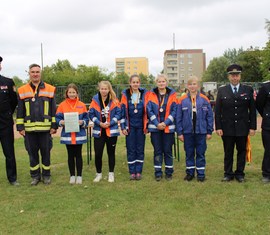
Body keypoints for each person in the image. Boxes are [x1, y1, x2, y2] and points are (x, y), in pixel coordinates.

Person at [17, 64, 57, 186]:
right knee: (32, 154)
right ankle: (35, 176)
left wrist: (54, 125)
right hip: (29, 130)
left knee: (46, 153)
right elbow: (20, 110)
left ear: (40, 73)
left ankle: (46, 176)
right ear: (29, 73)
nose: (35, 74)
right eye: (33, 72)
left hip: (45, 130)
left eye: (37, 72)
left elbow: (53, 109)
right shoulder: (22, 90)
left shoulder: (50, 89)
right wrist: (20, 127)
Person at [215, 64, 256, 182]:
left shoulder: (247, 90)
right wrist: (218, 127)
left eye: (237, 75)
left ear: (240, 76)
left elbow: (252, 110)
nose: (234, 78)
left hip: (242, 127)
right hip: (227, 127)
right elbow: (217, 111)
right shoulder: (222, 90)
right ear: (229, 77)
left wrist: (252, 127)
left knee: (241, 151)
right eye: (232, 75)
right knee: (228, 152)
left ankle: (240, 173)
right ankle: (228, 173)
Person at [176, 76, 214, 182]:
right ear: (187, 86)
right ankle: (190, 173)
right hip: (187, 132)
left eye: (194, 84)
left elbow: (210, 116)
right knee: (189, 153)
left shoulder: (204, 99)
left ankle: (201, 174)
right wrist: (179, 132)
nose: (192, 86)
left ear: (198, 85)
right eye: (190, 84)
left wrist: (209, 131)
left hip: (201, 131)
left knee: (201, 153)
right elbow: (178, 117)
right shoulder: (182, 100)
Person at [56, 84, 89, 185]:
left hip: (79, 134)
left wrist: (82, 122)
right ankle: (72, 175)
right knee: (70, 156)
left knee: (78, 155)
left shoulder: (82, 105)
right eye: (69, 92)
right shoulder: (62, 105)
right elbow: (57, 118)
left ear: (77, 93)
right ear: (66, 93)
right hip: (68, 135)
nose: (71, 94)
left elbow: (86, 119)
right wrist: (61, 122)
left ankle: (79, 176)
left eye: (73, 92)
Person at [146, 74, 177, 181]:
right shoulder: (151, 94)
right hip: (155, 128)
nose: (161, 83)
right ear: (156, 83)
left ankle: (169, 173)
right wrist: (157, 123)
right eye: (159, 81)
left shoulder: (172, 94)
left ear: (166, 82)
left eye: (163, 81)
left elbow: (174, 110)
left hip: (168, 128)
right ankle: (158, 172)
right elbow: (149, 110)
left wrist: (166, 123)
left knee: (168, 150)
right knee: (157, 151)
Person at [89, 81, 121, 183]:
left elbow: (118, 114)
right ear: (99, 89)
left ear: (109, 89)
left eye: (106, 89)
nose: (104, 90)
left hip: (111, 131)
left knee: (111, 153)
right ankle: (98, 174)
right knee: (98, 154)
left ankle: (111, 174)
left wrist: (110, 123)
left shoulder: (115, 100)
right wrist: (99, 123)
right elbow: (91, 114)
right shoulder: (94, 100)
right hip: (99, 131)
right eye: (102, 89)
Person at [120, 74, 148, 180]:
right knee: (131, 149)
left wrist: (147, 125)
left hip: (141, 126)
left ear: (139, 83)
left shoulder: (144, 94)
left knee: (140, 149)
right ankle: (132, 171)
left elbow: (147, 110)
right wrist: (123, 127)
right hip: (130, 126)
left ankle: (139, 171)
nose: (135, 84)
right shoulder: (126, 95)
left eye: (137, 82)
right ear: (130, 83)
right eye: (133, 82)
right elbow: (122, 112)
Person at [0, 56, 19, 186]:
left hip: (5, 123)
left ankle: (12, 178)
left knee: (9, 152)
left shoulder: (8, 82)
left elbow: (14, 101)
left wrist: (7, 114)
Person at [255, 68, 270, 183]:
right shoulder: (265, 88)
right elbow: (259, 104)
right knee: (268, 149)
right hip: (268, 125)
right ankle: (266, 173)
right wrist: (265, 115)